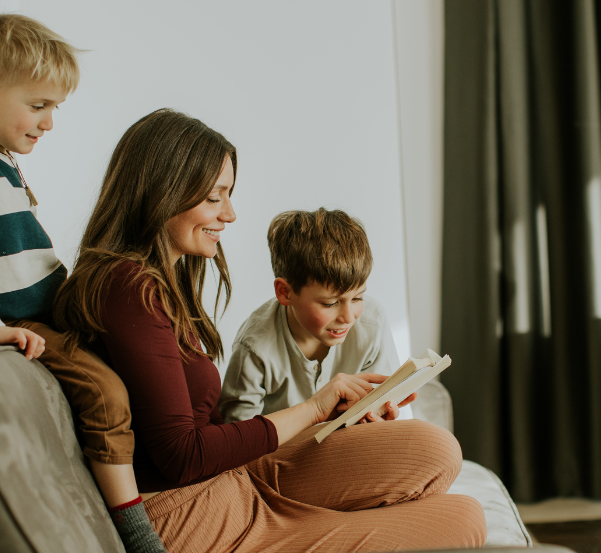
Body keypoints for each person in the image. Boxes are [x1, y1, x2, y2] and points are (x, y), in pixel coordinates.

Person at [53, 107, 487, 552]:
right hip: (197, 515)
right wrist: (317, 407)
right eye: (215, 197)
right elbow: (183, 454)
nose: (231, 214)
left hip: (231, 481)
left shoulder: (157, 284)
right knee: (463, 519)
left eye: (229, 195)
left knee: (435, 450)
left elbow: (207, 429)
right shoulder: (127, 288)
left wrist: (340, 417)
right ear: (163, 194)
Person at [0, 14, 165, 553]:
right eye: (39, 105)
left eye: (56, 108)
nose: (49, 123)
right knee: (107, 394)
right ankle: (138, 536)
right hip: (14, 321)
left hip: (51, 311)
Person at [219, 207, 416, 425]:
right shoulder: (255, 346)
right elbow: (236, 437)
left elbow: (384, 409)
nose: (348, 317)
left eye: (358, 298)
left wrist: (380, 418)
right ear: (285, 292)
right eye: (330, 303)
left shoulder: (372, 323)